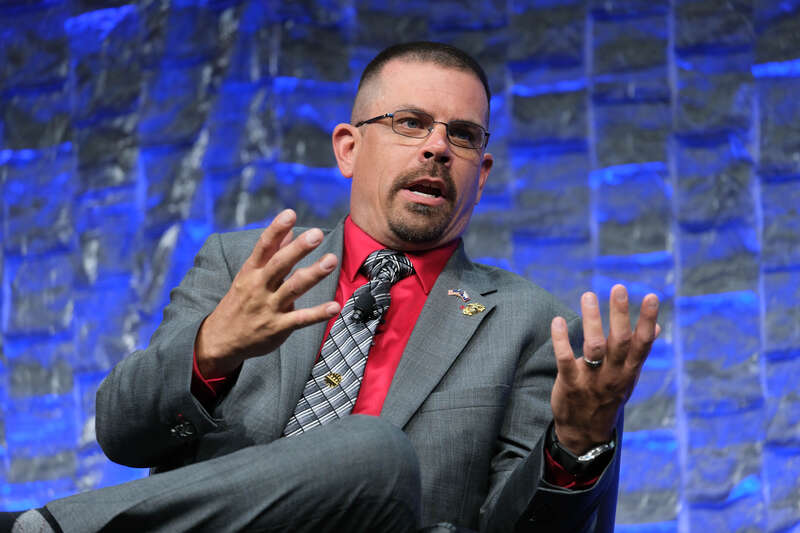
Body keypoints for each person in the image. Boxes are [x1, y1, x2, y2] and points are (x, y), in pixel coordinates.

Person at [3, 41, 659, 533]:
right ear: (348, 148)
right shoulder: (246, 264)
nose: (437, 147)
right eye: (410, 122)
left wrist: (576, 445)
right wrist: (207, 354)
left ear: (480, 172)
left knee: (377, 454)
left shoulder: (527, 325)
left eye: (461, 135)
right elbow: (122, 431)